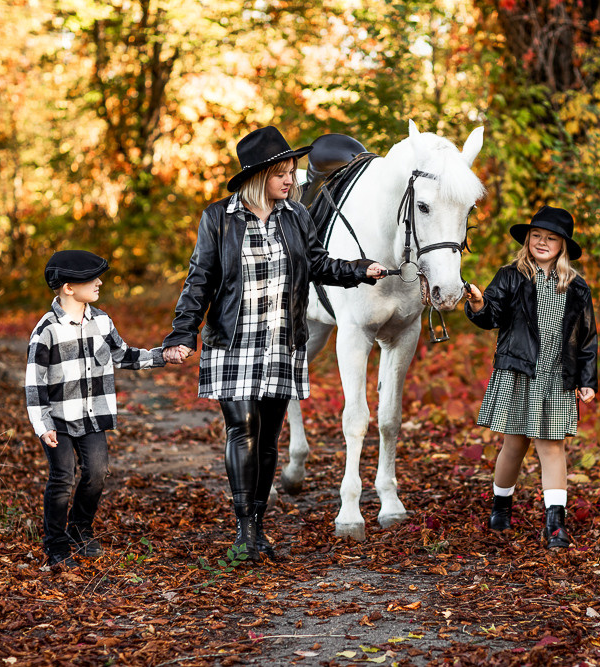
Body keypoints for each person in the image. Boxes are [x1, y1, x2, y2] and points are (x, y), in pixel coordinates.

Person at [162, 126, 386, 561]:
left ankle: (259, 527)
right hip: (233, 341)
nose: (291, 179)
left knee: (268, 439)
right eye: (281, 173)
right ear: (257, 176)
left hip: (282, 341)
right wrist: (182, 333)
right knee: (242, 428)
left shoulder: (296, 215)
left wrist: (360, 269)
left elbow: (318, 264)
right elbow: (200, 279)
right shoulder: (218, 218)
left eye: (292, 171)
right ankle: (244, 530)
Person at [25, 250, 177, 568]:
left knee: (97, 473)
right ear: (69, 287)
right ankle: (55, 544)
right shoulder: (47, 330)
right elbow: (34, 384)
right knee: (62, 477)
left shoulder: (102, 322)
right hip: (58, 419)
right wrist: (43, 424)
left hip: (92, 415)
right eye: (91, 279)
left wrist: (162, 355)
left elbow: (123, 355)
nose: (100, 283)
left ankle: (80, 528)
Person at [464, 206, 598, 548]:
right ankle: (501, 507)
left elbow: (586, 338)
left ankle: (555, 524)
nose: (542, 242)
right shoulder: (511, 276)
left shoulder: (577, 287)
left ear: (562, 245)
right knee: (515, 444)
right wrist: (479, 304)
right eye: (536, 235)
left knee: (552, 446)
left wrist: (587, 380)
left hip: (557, 376)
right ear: (527, 240)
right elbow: (492, 315)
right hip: (520, 371)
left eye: (551, 238)